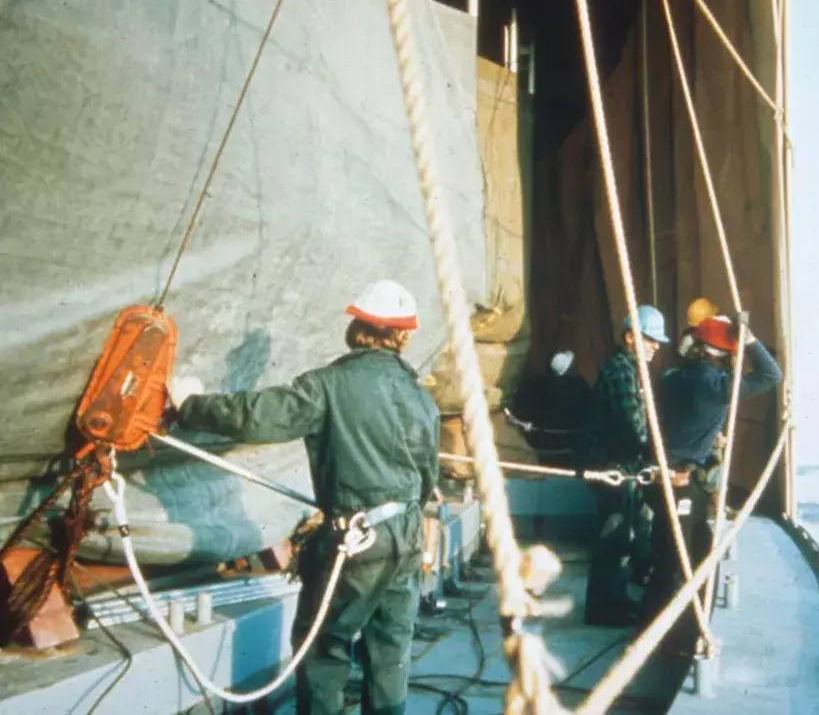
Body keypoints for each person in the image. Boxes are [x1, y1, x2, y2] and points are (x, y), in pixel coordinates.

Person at [168, 279, 439, 715]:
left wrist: (190, 405)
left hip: (358, 540)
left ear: (359, 327)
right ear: (403, 335)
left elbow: (257, 417)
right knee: (390, 651)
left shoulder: (328, 386)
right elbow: (428, 477)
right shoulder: (421, 396)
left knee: (323, 648)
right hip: (406, 537)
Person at [642, 314, 782, 646]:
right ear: (726, 351)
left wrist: (707, 437)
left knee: (671, 550)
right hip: (678, 478)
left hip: (660, 474)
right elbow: (770, 375)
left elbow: (686, 419)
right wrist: (749, 341)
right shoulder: (718, 386)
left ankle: (653, 624)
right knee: (681, 558)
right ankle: (663, 634)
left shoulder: (673, 377)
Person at [578, 305, 670, 626]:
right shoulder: (622, 371)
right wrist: (661, 453)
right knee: (615, 536)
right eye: (650, 339)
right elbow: (632, 425)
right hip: (613, 467)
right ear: (631, 337)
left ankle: (613, 599)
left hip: (621, 465)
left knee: (625, 535)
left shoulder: (631, 370)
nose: (657, 346)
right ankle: (603, 608)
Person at [505, 350, 592, 453]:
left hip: (554, 435)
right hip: (568, 438)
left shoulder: (543, 386)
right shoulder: (577, 387)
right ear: (569, 369)